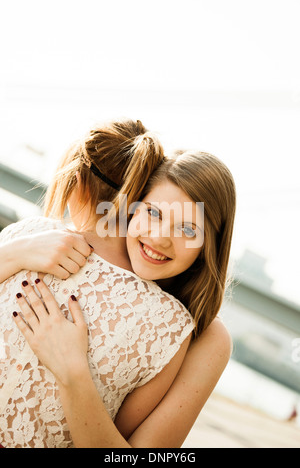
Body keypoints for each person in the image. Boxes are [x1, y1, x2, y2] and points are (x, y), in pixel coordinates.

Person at [0, 126, 235, 447]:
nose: (160, 238)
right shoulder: (46, 243)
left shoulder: (198, 334)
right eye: (152, 213)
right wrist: (15, 252)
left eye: (187, 229)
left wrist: (73, 371)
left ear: (209, 243)